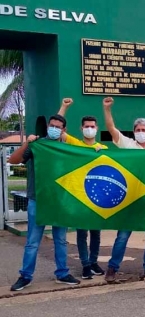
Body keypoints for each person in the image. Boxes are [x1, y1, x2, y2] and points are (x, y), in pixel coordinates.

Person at [9, 114, 81, 291]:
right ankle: (25, 276)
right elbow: (13, 160)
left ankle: (62, 273)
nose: (54, 128)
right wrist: (28, 142)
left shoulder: (68, 148)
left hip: (59, 201)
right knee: (33, 241)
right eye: (52, 125)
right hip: (38, 200)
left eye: (58, 126)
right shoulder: (38, 145)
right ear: (48, 126)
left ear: (64, 130)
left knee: (61, 240)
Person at [102, 97, 145, 283]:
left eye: (143, 130)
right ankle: (112, 268)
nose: (140, 133)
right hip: (129, 199)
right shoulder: (128, 144)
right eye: (137, 130)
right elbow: (112, 129)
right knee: (122, 236)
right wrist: (107, 109)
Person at [57, 98, 108, 279]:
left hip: (96, 198)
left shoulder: (103, 148)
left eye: (92, 126)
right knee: (81, 233)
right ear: (81, 128)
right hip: (79, 196)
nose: (89, 129)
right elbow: (57, 131)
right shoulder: (74, 144)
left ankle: (94, 262)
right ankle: (85, 264)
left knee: (96, 233)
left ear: (96, 128)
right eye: (86, 126)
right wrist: (64, 107)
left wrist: (102, 152)